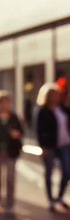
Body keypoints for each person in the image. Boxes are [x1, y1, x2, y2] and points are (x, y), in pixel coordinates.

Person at [35, 83, 70, 212]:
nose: (57, 97)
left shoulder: (62, 108)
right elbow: (38, 130)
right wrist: (42, 146)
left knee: (67, 170)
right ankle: (50, 199)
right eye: (55, 94)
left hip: (65, 144)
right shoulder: (42, 110)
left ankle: (60, 196)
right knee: (49, 171)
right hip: (49, 145)